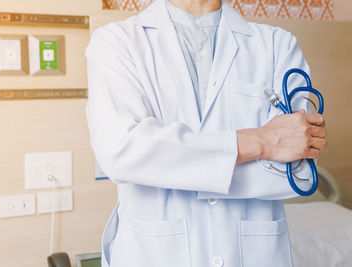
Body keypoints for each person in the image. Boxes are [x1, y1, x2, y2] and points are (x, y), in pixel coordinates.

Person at [85, 0, 327, 266]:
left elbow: (299, 172)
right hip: (154, 254)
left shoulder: (277, 45)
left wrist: (172, 164)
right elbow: (122, 152)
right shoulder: (116, 42)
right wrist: (262, 141)